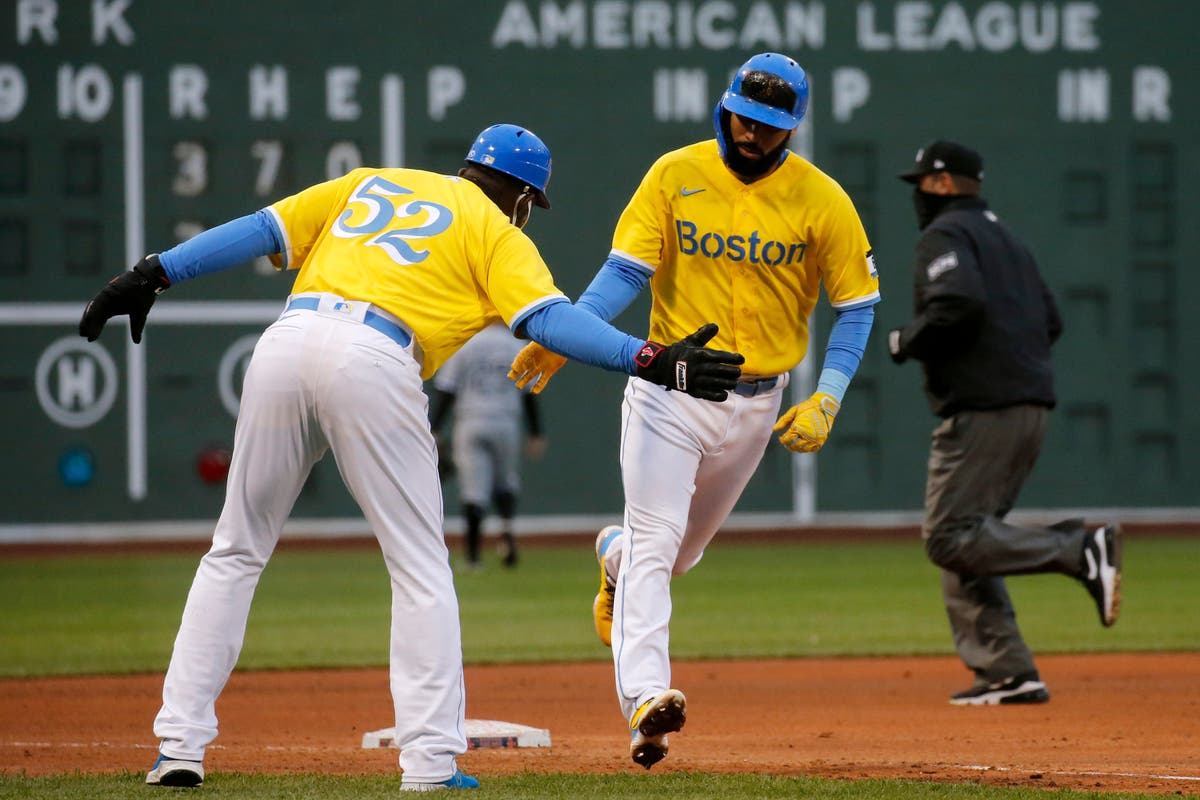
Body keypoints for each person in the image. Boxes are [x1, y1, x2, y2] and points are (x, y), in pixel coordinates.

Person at [78, 123, 745, 791]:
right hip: (375, 355)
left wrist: (152, 273)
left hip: (286, 341)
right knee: (420, 567)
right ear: (522, 198)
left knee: (235, 550)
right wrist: (653, 359)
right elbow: (549, 322)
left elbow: (258, 229)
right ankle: (428, 764)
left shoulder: (370, 183)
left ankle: (179, 749)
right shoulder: (495, 230)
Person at [508, 53, 880, 768]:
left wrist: (827, 395)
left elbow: (858, 308)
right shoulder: (675, 173)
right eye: (744, 116)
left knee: (676, 557)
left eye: (769, 125)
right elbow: (626, 272)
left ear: (792, 127)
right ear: (726, 104)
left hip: (756, 400)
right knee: (657, 543)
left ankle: (613, 558)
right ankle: (646, 701)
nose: (751, 132)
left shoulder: (822, 198)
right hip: (669, 391)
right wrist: (569, 334)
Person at [887, 139, 1122, 706]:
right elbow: (1053, 320)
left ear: (942, 184)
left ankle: (1079, 550)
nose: (917, 193)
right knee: (970, 535)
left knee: (949, 536)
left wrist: (906, 340)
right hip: (1028, 404)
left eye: (921, 182)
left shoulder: (945, 235)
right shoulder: (1008, 240)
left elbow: (956, 304)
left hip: (985, 410)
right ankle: (1007, 671)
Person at [429, 321, 546, 569]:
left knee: (474, 489)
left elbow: (446, 389)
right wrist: (536, 432)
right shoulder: (516, 344)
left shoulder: (466, 343)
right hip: (506, 421)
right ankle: (506, 534)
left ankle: (473, 557)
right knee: (506, 481)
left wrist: (435, 428)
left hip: (471, 420)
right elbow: (530, 392)